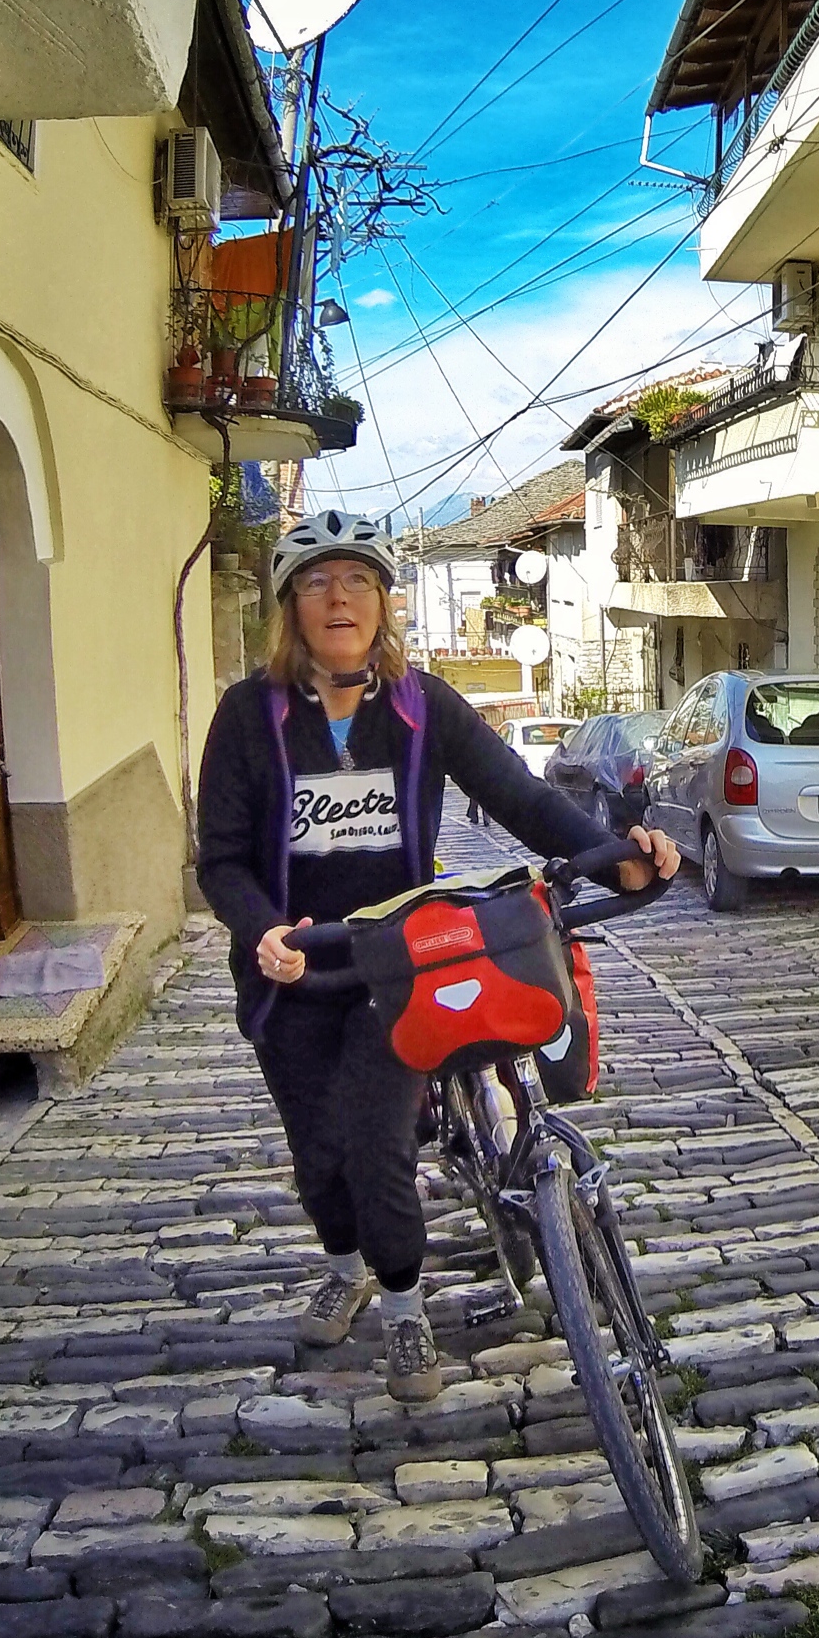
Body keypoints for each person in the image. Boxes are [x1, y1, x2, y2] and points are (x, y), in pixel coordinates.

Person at [196, 512, 679, 1400]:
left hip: (396, 965)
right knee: (319, 1158)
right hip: (294, 971)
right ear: (289, 607)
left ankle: (406, 1311)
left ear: (383, 602)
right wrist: (261, 926)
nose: (337, 597)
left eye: (356, 581)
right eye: (315, 582)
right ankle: (345, 1265)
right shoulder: (246, 716)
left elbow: (518, 794)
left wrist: (618, 852)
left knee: (376, 1143)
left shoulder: (421, 706)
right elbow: (219, 858)